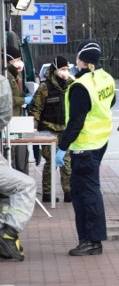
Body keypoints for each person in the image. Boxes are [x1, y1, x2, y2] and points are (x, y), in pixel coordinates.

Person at [56, 41, 115, 257]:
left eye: (77, 59)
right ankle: (90, 239)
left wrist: (62, 147)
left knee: (86, 194)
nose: (74, 63)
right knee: (86, 192)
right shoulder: (106, 78)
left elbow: (76, 121)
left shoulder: (80, 86)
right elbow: (111, 102)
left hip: (85, 146)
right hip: (100, 142)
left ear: (84, 61)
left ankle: (92, 241)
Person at [0, 67, 36, 262]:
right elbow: (4, 115)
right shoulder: (2, 82)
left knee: (6, 191)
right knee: (25, 185)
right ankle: (9, 232)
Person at [29, 55, 73, 203]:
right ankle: (48, 193)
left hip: (65, 128)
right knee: (51, 161)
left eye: (67, 69)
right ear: (55, 70)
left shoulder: (71, 85)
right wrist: (33, 127)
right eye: (62, 69)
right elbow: (36, 109)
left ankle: (69, 191)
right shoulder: (45, 87)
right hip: (48, 129)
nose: (65, 72)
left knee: (66, 161)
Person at [5, 44, 28, 173]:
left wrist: (23, 95)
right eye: (17, 59)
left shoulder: (13, 74)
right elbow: (7, 100)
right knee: (8, 155)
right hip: (8, 120)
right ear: (9, 60)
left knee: (11, 154)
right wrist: (24, 100)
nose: (19, 62)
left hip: (13, 120)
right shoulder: (6, 75)